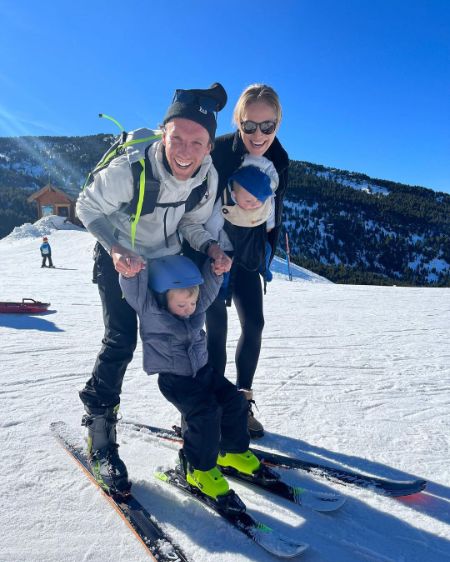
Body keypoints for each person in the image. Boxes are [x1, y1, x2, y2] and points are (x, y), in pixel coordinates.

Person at [75, 83, 232, 495]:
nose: (184, 149)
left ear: (209, 146)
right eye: (176, 136)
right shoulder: (132, 169)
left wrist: (211, 246)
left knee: (189, 330)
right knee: (122, 338)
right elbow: (86, 207)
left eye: (196, 141)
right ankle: (100, 428)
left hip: (164, 257)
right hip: (120, 255)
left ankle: (200, 423)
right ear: (163, 133)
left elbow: (192, 224)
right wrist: (114, 247)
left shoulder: (207, 178)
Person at [186, 84, 289, 439]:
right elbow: (197, 201)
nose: (258, 135)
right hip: (213, 250)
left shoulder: (280, 159)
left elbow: (276, 209)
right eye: (249, 126)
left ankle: (241, 405)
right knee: (216, 330)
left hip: (247, 254)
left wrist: (267, 256)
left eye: (267, 126)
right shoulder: (221, 153)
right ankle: (214, 406)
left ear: (277, 123)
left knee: (254, 324)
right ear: (238, 122)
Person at [119, 255, 261, 500]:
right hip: (176, 380)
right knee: (206, 413)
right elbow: (135, 292)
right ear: (164, 299)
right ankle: (197, 468)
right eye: (182, 306)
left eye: (192, 304)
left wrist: (216, 272)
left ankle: (230, 451)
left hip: (202, 372)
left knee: (233, 400)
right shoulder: (151, 311)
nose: (189, 310)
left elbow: (207, 292)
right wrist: (131, 274)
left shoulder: (195, 309)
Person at [204, 156, 279, 299]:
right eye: (249, 200)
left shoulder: (266, 202)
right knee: (224, 268)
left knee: (266, 249)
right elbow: (212, 225)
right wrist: (214, 245)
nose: (255, 204)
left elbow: (269, 214)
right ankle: (222, 290)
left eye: (259, 199)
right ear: (234, 195)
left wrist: (268, 227)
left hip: (253, 241)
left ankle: (264, 268)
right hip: (228, 245)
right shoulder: (226, 203)